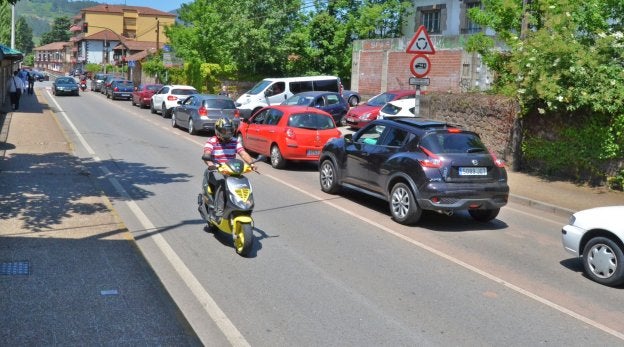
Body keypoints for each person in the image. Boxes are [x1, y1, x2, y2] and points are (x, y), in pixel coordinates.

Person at [202, 117, 256, 219]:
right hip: (216, 170)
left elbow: (243, 153)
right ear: (218, 130)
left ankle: (245, 205)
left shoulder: (235, 141)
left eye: (230, 131)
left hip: (231, 171)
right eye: (224, 131)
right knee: (222, 183)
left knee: (243, 182)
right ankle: (219, 209)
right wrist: (210, 164)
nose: (227, 133)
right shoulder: (212, 141)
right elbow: (207, 153)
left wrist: (251, 163)